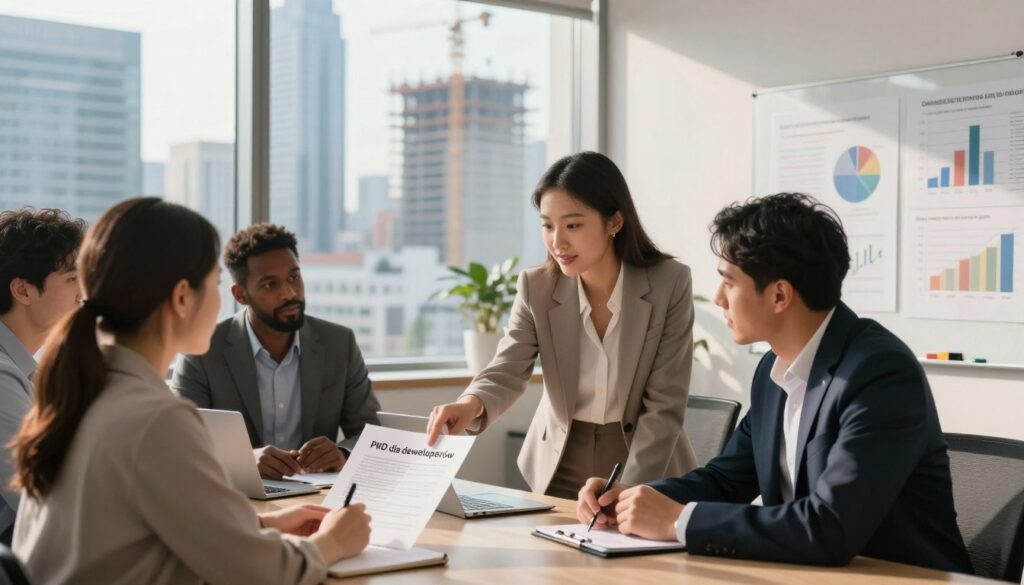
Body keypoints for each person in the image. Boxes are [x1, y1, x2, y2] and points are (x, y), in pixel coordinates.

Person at [576, 193, 973, 572]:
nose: (718, 299)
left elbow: (830, 527)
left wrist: (680, 521)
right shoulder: (774, 370)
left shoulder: (879, 374)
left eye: (729, 282)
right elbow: (726, 479)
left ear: (780, 294)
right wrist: (632, 499)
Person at [11, 198, 371, 584]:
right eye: (214, 282)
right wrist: (334, 541)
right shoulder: (155, 418)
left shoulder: (82, 390)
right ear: (182, 297)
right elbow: (260, 574)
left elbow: (139, 522)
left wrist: (262, 524)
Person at [426, 151, 698, 499]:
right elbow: (508, 368)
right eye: (547, 225)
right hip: (560, 461)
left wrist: (629, 489)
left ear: (614, 222)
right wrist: (470, 403)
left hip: (646, 461)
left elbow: (665, 403)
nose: (558, 242)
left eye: (573, 225)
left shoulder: (668, 282)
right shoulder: (537, 287)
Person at [171, 223, 381, 480]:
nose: (289, 293)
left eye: (294, 277)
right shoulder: (201, 351)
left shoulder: (339, 343)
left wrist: (342, 454)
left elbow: (372, 431)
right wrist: (245, 461)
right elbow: (180, 442)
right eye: (270, 285)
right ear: (241, 295)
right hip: (238, 499)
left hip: (316, 496)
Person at [0, 208, 85, 545]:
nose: (83, 293)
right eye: (71, 279)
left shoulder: (25, 369)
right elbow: (42, 501)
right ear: (23, 290)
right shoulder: (3, 378)